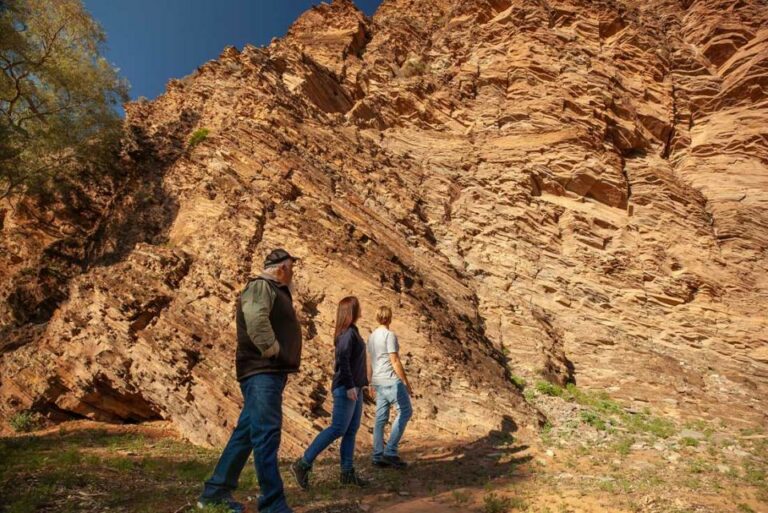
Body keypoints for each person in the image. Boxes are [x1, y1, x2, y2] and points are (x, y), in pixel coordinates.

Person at [198, 249, 302, 513]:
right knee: (267, 436)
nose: (293, 273)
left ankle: (214, 493)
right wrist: (273, 351)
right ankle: (273, 504)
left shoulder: (274, 289)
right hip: (262, 372)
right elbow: (256, 319)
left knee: (245, 435)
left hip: (267, 374)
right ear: (281, 268)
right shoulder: (260, 286)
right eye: (291, 267)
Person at [291, 296, 369, 489]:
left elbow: (353, 360)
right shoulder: (347, 334)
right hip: (346, 387)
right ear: (351, 311)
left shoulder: (352, 331)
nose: (361, 310)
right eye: (358, 307)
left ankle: (347, 472)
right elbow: (342, 359)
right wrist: (351, 385)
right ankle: (303, 464)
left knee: (351, 430)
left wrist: (362, 384)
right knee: (338, 428)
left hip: (355, 387)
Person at [367, 305, 413, 469]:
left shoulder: (372, 337)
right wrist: (406, 382)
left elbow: (370, 361)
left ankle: (377, 455)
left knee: (380, 418)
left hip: (378, 381)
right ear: (390, 318)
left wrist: (370, 382)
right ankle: (390, 452)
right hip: (391, 381)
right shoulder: (389, 335)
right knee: (406, 411)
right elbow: (394, 361)